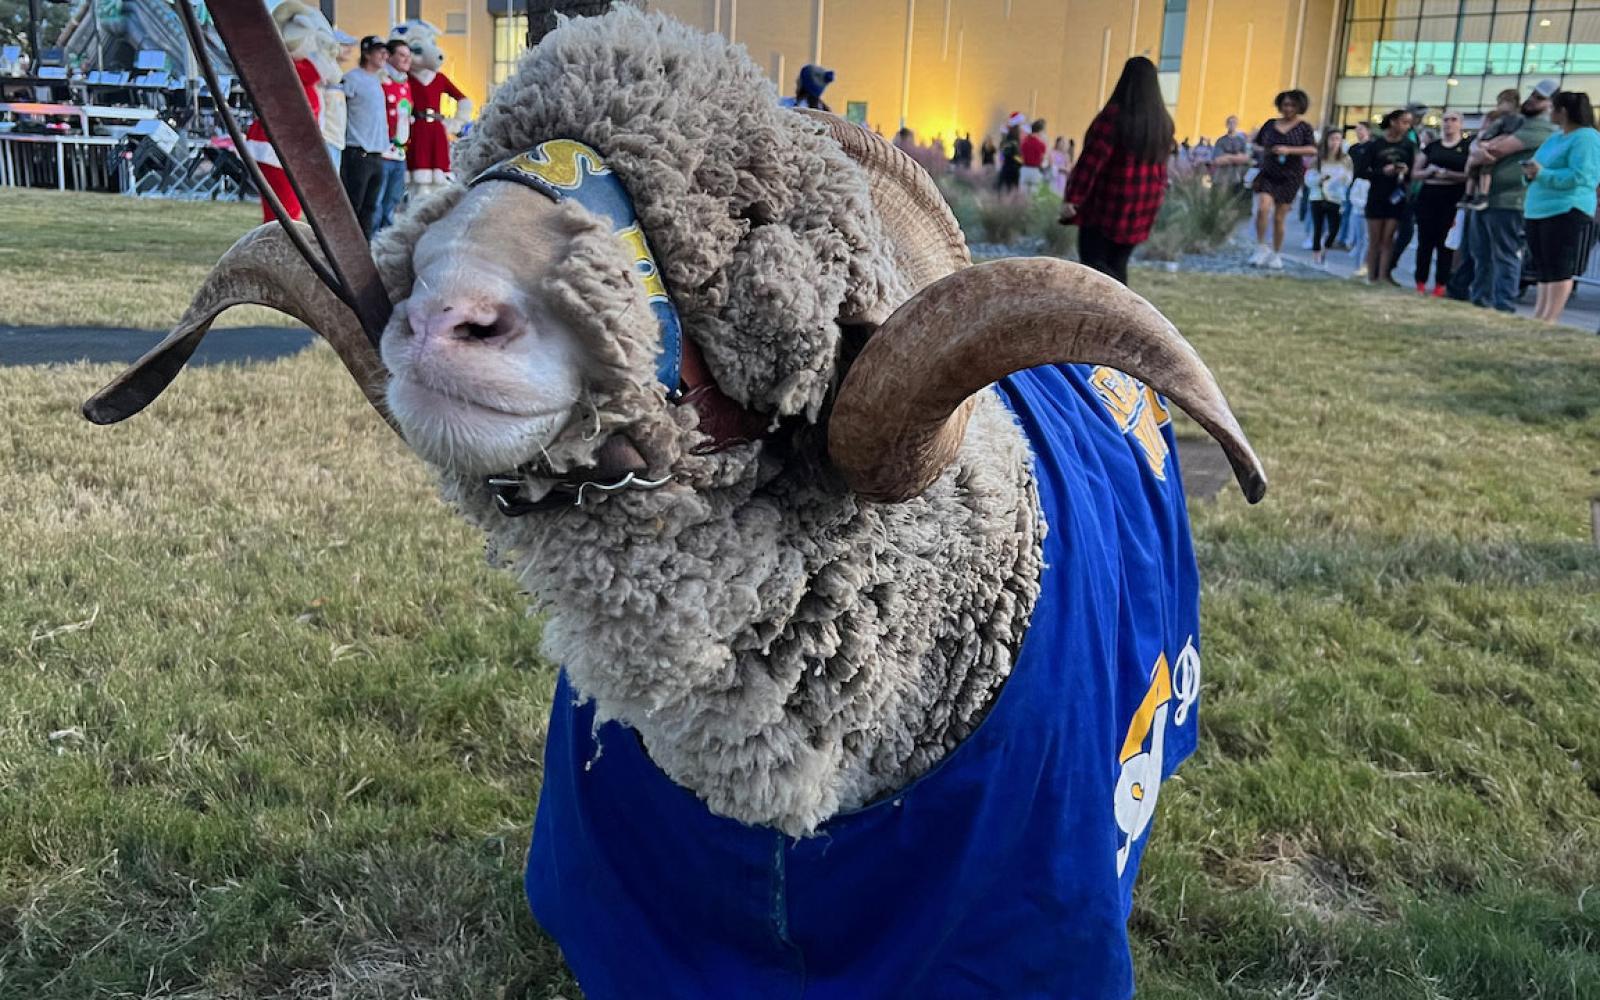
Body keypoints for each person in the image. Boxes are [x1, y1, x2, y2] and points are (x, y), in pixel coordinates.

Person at [1058, 56, 1173, 285]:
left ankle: (1105, 314)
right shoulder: (1162, 123)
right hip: (1142, 207)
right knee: (1118, 264)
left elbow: (1092, 160)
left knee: (1094, 267)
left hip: (1108, 205)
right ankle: (1123, 314)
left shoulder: (1114, 117)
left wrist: (1073, 197)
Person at [1465, 82, 1556, 312]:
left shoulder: (1540, 128)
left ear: (1550, 105)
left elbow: (1495, 151)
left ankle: (1503, 305)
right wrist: (1476, 150)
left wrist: (1476, 154)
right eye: (1532, 94)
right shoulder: (1517, 122)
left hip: (1510, 201)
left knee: (1505, 255)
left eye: (1539, 97)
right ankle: (1480, 302)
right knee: (1481, 254)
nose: (1532, 99)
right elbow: (1479, 143)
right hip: (1488, 199)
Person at [1522, 90, 1600, 323]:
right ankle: (1540, 314)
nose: (1548, 112)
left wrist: (1543, 175)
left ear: (1562, 111)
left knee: (1559, 264)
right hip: (1538, 207)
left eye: (1552, 108)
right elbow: (1537, 164)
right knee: (1543, 265)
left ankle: (1550, 316)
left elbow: (1583, 176)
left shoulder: (1587, 138)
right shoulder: (1555, 138)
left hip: (1566, 208)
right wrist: (1529, 173)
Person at [1247, 90, 1316, 270]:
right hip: (1269, 171)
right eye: (1285, 104)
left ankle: (1276, 253)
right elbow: (1256, 143)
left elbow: (1312, 150)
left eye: (1292, 105)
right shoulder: (1270, 124)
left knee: (1279, 217)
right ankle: (1260, 246)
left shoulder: (1304, 127)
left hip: (1291, 175)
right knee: (1263, 207)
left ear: (1299, 106)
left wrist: (1289, 150)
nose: (1288, 108)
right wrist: (1263, 150)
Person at [1356, 109, 1417, 284]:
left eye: (1408, 123)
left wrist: (1405, 172)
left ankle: (1383, 275)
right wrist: (1382, 171)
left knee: (1388, 238)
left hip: (1396, 195)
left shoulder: (1408, 146)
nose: (1406, 126)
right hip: (1376, 194)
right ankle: (1370, 275)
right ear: (1393, 122)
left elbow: (1414, 171)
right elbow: (1361, 171)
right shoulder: (1375, 145)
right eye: (1404, 122)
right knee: (1374, 239)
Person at [1412, 110, 1468, 296]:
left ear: (1460, 123)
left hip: (1452, 198)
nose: (1449, 123)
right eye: (1446, 120)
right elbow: (1415, 172)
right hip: (1429, 196)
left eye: (1453, 119)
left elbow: (1470, 175)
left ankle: (1441, 283)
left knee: (1446, 244)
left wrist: (1449, 175)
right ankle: (1420, 281)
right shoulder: (1432, 147)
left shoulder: (1466, 147)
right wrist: (1429, 172)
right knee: (1425, 242)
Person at [340, 36, 390, 238]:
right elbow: (340, 106)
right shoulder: (352, 79)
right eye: (379, 51)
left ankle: (364, 248)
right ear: (367, 53)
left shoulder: (377, 80)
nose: (384, 55)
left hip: (377, 154)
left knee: (370, 207)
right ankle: (347, 246)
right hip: (358, 153)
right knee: (354, 205)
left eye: (386, 52)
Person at [371, 38, 413, 235]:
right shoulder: (380, 80)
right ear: (390, 56)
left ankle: (384, 241)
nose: (407, 60)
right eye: (402, 55)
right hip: (382, 151)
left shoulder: (405, 83)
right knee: (376, 203)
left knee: (392, 202)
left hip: (399, 152)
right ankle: (371, 242)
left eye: (408, 55)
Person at [1461, 89, 1525, 211]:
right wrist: (1483, 142)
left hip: (1496, 154)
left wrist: (1489, 143)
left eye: (1501, 102)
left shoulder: (1517, 120)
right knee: (1476, 171)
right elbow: (1489, 134)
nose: (1499, 105)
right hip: (1489, 147)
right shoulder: (1503, 119)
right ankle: (1470, 194)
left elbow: (1508, 136)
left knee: (1485, 169)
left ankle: (1482, 195)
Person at [1306, 128, 1352, 267]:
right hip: (1318, 196)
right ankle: (1316, 256)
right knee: (1318, 227)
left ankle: (1324, 247)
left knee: (1334, 228)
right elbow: (1308, 178)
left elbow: (1349, 178)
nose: (1335, 142)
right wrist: (1319, 179)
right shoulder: (1318, 158)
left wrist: (1341, 180)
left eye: (1338, 139)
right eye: (1332, 139)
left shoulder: (1346, 159)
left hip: (1336, 197)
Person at [321, 29, 356, 171]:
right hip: (327, 138)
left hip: (337, 139)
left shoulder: (338, 74)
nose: (349, 49)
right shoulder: (324, 72)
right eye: (344, 45)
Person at [1211, 115, 1251, 193]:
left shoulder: (1241, 141)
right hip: (1222, 177)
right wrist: (1237, 157)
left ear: (1237, 124)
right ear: (1226, 124)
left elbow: (1245, 159)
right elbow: (1217, 160)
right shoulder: (1221, 141)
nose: (1232, 125)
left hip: (1238, 177)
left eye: (1234, 123)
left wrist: (1227, 156)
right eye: (1230, 123)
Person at [1020, 118, 1048, 190]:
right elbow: (1043, 159)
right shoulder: (1041, 144)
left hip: (1024, 169)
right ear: (1040, 131)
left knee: (1022, 195)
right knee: (1033, 196)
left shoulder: (1024, 142)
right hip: (1035, 170)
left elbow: (1020, 155)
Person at [996, 118, 1023, 191]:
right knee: (1008, 187)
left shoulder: (1013, 140)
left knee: (1006, 187)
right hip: (1011, 167)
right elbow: (1010, 154)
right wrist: (1021, 161)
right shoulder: (1011, 140)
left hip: (1010, 167)